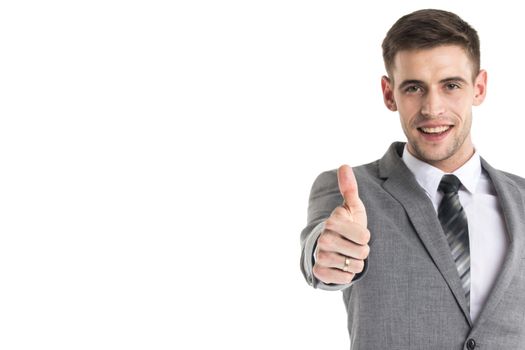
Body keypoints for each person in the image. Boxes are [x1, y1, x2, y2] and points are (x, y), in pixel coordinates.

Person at [300, 9, 525, 349]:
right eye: (414, 88)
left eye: (451, 85)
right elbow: (320, 254)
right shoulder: (351, 192)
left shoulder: (521, 199)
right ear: (389, 94)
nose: (432, 108)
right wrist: (329, 256)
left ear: (479, 88)